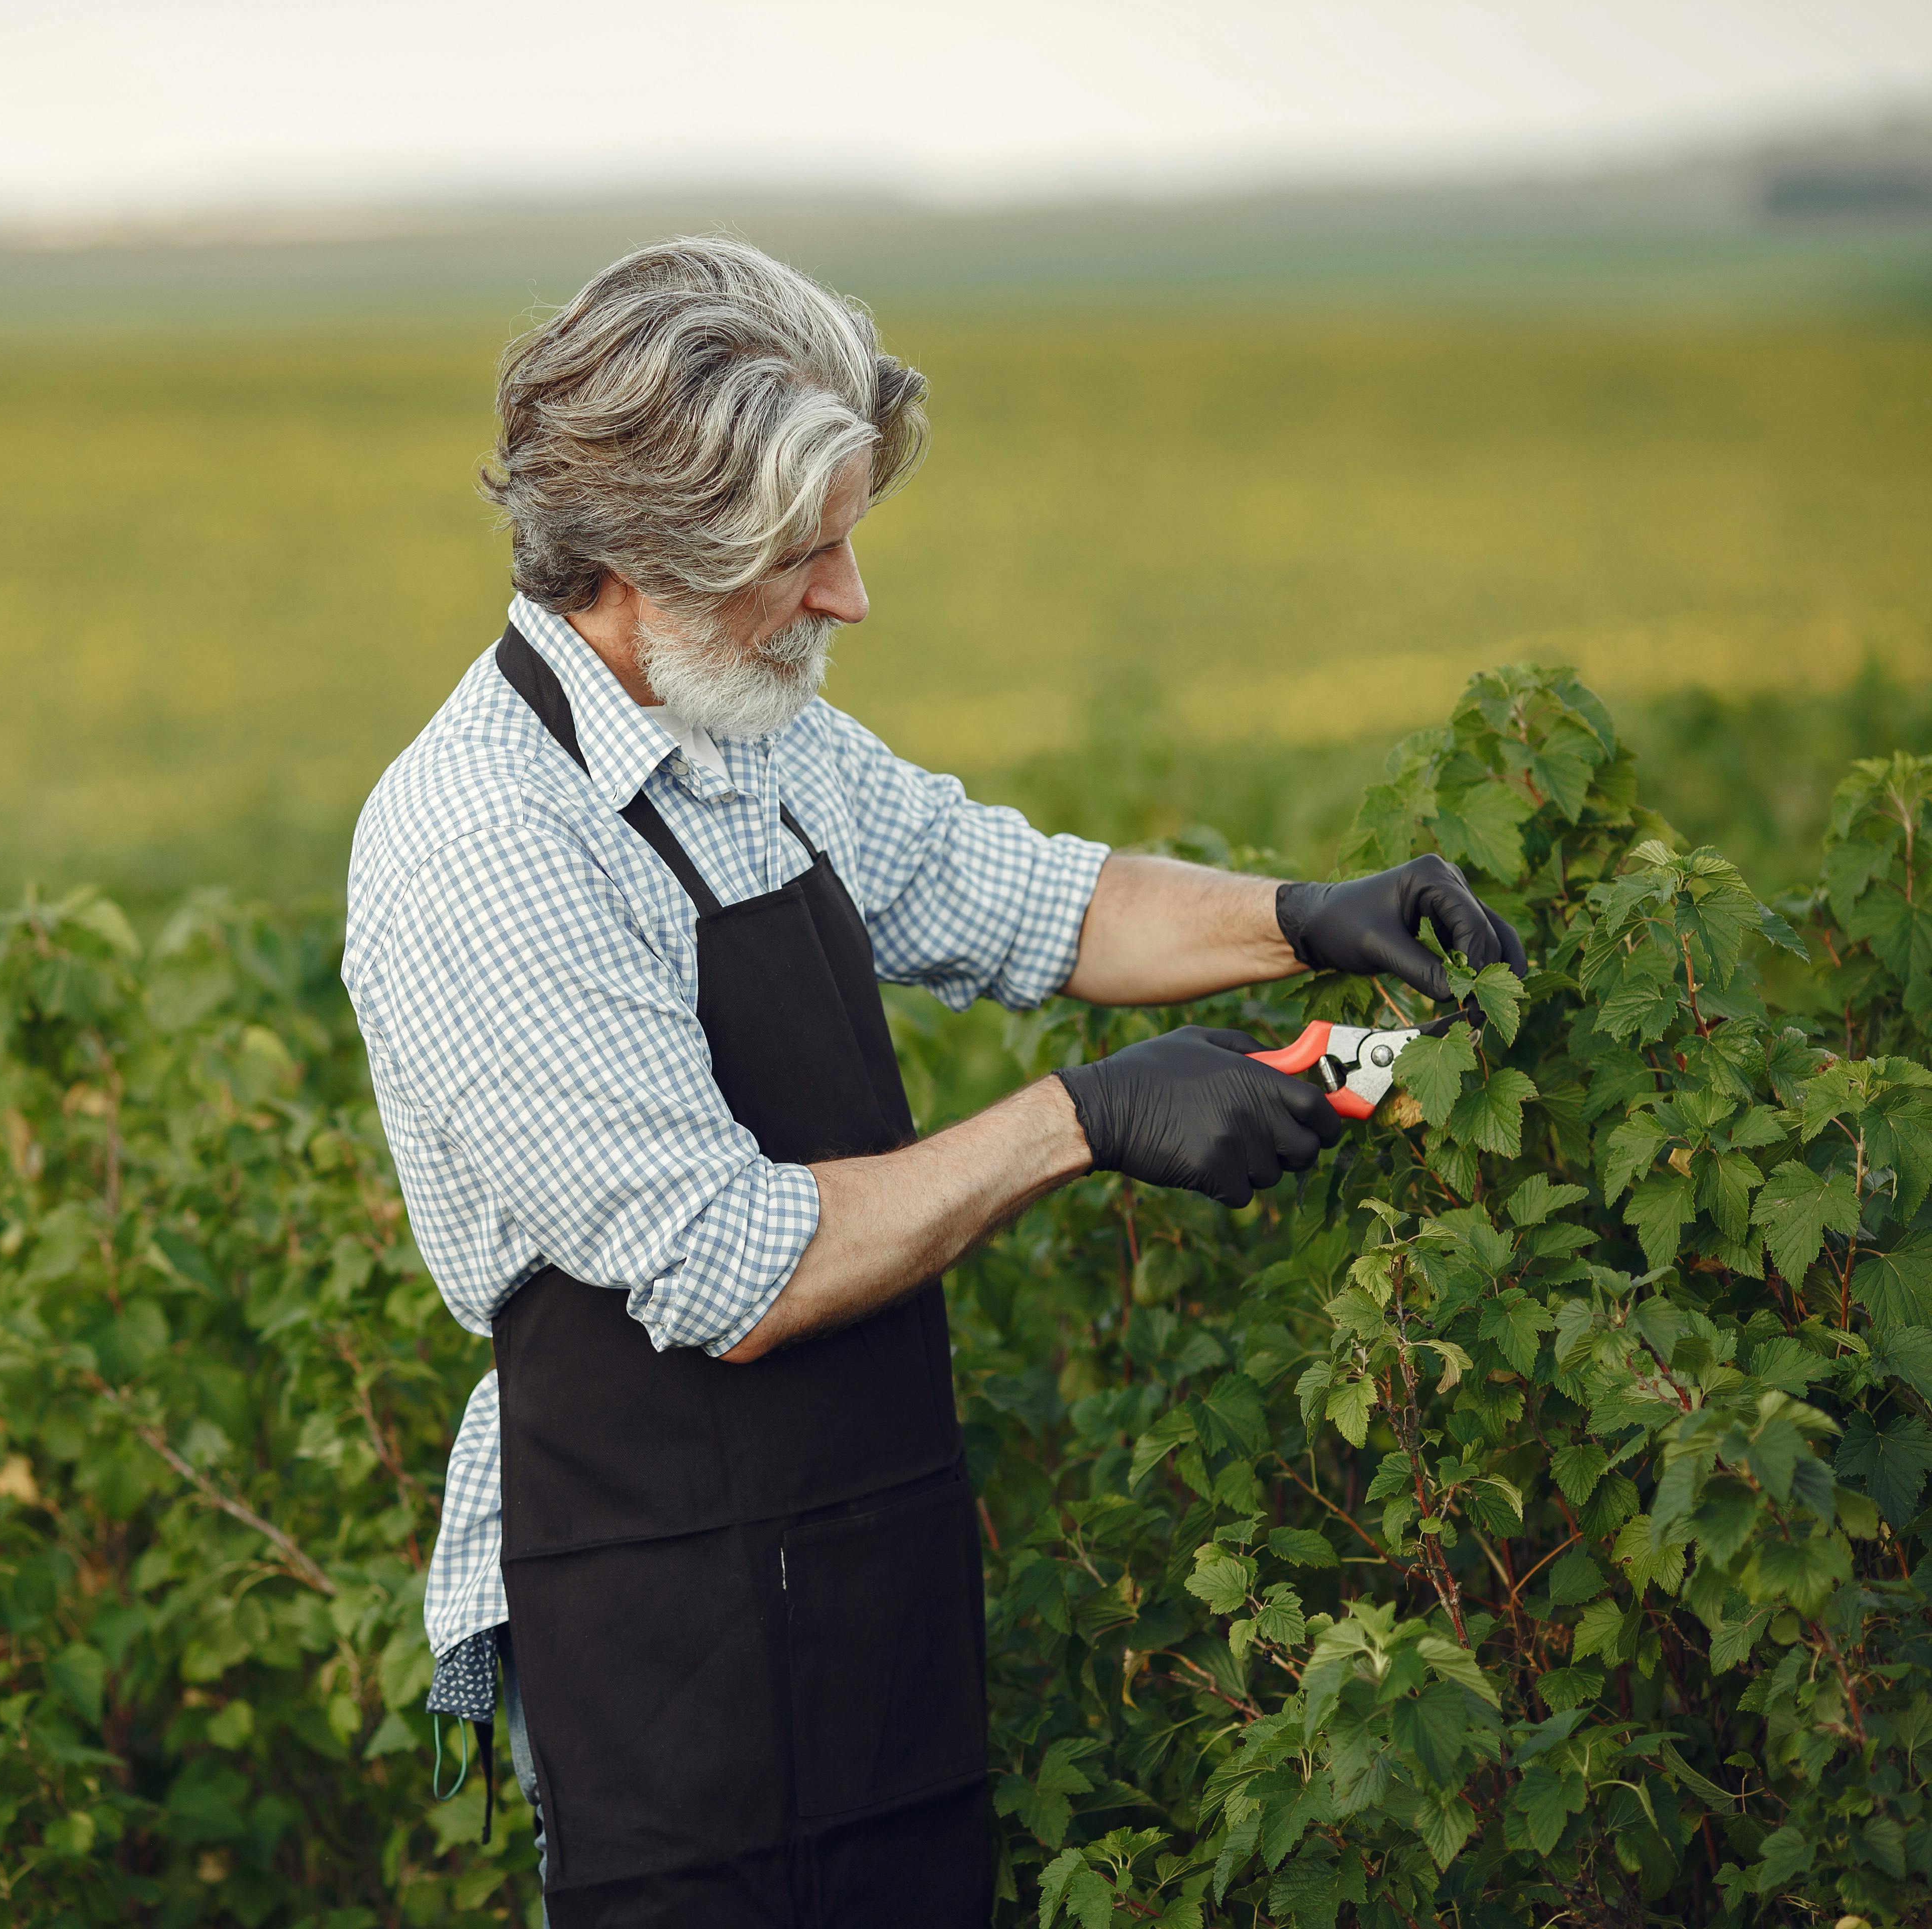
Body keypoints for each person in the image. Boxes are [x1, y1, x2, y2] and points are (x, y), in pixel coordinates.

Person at [340, 237, 1521, 1929]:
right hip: (656, 1607)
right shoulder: (486, 842)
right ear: (638, 563)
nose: (848, 600)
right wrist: (1086, 1119)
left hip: (861, 1542)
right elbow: (733, 1270)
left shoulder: (734, 719)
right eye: (804, 558)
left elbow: (1014, 894)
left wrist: (1306, 923)